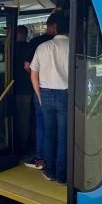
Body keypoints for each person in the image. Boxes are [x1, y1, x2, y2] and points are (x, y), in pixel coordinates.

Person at [30, 14, 69, 184]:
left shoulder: (42, 47)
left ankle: (50, 172)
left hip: (45, 93)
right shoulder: (73, 47)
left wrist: (39, 95)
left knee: (49, 134)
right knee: (63, 136)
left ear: (54, 28)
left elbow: (33, 75)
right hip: (65, 95)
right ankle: (62, 176)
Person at [23, 14, 57, 169]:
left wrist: (38, 80)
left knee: (42, 125)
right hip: (64, 92)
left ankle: (40, 158)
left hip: (42, 89)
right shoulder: (70, 42)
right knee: (59, 127)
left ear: (48, 25)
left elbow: (27, 66)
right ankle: (57, 159)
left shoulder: (37, 42)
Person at [13, 25, 32, 154]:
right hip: (27, 88)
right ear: (26, 34)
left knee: (13, 116)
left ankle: (14, 142)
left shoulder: (10, 47)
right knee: (24, 117)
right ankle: (23, 143)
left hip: (10, 88)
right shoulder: (30, 48)